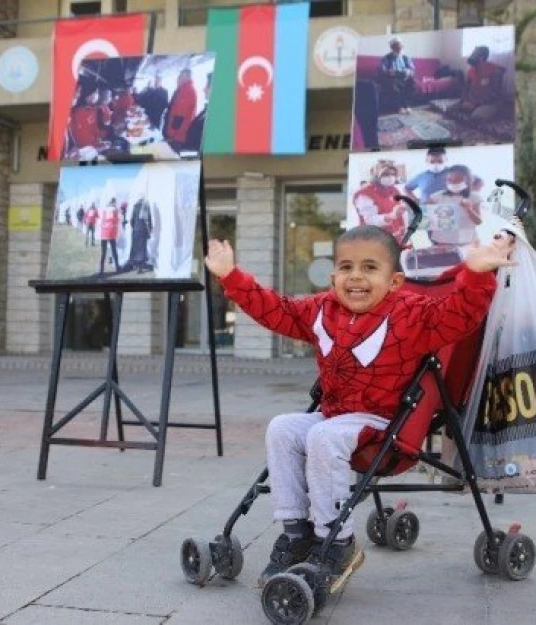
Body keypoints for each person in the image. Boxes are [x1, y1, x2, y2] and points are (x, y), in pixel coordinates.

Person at [203, 226, 515, 586]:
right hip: (336, 417)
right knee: (282, 428)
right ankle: (296, 533)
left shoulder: (412, 314)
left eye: (370, 268)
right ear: (333, 275)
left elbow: (459, 315)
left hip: (384, 422)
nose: (356, 277)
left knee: (322, 436)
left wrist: (476, 274)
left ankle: (337, 543)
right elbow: (276, 311)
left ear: (395, 281)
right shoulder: (322, 309)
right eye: (346, 267)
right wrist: (231, 275)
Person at [351, 161, 409, 243]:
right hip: (375, 240)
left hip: (395, 238)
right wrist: (391, 216)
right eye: (385, 174)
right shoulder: (365, 194)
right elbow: (370, 220)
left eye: (393, 174)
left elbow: (400, 213)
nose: (390, 177)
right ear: (376, 176)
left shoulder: (394, 190)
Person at [458, 46, 507, 122]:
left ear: (482, 57)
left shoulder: (495, 69)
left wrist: (476, 104)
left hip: (490, 102)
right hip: (474, 100)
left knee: (477, 117)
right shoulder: (471, 71)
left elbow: (496, 93)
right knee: (453, 109)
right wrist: (463, 101)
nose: (472, 56)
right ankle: (471, 109)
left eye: (475, 54)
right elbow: (466, 89)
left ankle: (494, 112)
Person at [379, 36, 415, 114]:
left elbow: (412, 69)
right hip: (393, 77)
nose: (399, 48)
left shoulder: (406, 57)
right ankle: (399, 107)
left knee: (412, 82)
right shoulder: (386, 58)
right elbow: (382, 70)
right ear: (392, 47)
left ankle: (407, 106)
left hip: (405, 77)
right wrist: (390, 71)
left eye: (400, 46)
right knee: (394, 85)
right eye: (397, 46)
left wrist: (409, 72)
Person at [163, 70, 198, 152]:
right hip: (177, 134)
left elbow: (179, 117)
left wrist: (171, 135)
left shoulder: (187, 91)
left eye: (181, 76)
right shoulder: (183, 90)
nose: (179, 78)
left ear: (186, 77)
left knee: (172, 156)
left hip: (178, 135)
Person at [126, 198, 154, 273]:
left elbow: (131, 220)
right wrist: (150, 229)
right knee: (142, 249)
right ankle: (140, 268)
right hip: (143, 230)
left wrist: (134, 227)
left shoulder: (135, 207)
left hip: (135, 230)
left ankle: (137, 265)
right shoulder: (146, 207)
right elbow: (148, 219)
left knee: (136, 249)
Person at [98, 199, 122, 276]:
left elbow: (101, 220)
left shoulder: (104, 209)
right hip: (111, 231)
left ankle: (101, 270)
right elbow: (118, 220)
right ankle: (117, 268)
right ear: (114, 202)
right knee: (114, 250)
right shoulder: (115, 209)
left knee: (103, 252)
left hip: (104, 231)